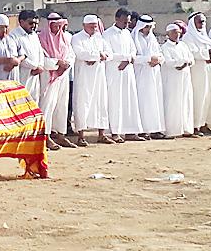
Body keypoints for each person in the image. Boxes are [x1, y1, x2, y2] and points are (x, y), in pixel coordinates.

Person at [102, 8, 144, 143]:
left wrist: (128, 59)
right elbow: (108, 53)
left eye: (128, 22)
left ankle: (130, 131)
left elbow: (133, 50)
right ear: (117, 19)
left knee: (129, 100)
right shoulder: (107, 34)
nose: (127, 24)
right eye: (125, 21)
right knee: (116, 101)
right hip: (114, 71)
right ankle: (115, 132)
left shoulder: (127, 33)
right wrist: (124, 58)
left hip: (128, 71)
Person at [70, 15, 112, 145]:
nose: (93, 29)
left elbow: (109, 53)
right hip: (83, 77)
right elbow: (80, 54)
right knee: (82, 103)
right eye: (91, 26)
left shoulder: (100, 38)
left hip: (99, 76)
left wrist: (97, 57)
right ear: (84, 26)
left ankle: (101, 134)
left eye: (95, 26)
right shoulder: (77, 38)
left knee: (101, 103)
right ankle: (81, 135)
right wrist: (98, 56)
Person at [38, 13, 76, 149]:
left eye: (60, 26)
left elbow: (71, 55)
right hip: (48, 77)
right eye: (55, 26)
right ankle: (46, 137)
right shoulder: (41, 39)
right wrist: (57, 63)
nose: (57, 28)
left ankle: (61, 135)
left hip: (62, 76)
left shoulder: (64, 38)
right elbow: (41, 59)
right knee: (47, 106)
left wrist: (65, 65)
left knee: (62, 106)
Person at [182, 13, 211, 135]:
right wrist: (206, 54)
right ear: (193, 23)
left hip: (209, 70)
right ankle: (195, 126)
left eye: (204, 21)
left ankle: (204, 124)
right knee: (198, 97)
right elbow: (191, 52)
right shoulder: (188, 37)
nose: (202, 24)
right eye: (200, 22)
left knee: (209, 96)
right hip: (197, 72)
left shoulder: (205, 37)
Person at [132, 15, 165, 140]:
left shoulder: (152, 38)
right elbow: (133, 57)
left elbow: (160, 54)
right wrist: (148, 59)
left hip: (154, 74)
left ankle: (155, 129)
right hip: (141, 75)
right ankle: (142, 130)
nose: (148, 29)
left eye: (150, 27)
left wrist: (158, 60)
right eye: (146, 27)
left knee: (155, 102)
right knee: (143, 103)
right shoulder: (134, 38)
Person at [160, 24, 196, 137]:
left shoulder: (183, 45)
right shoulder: (165, 47)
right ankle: (172, 130)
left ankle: (186, 129)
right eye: (174, 32)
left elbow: (191, 59)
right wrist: (182, 62)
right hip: (172, 80)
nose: (177, 35)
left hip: (185, 77)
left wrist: (185, 63)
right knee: (173, 103)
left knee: (186, 101)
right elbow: (169, 62)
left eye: (178, 32)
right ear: (168, 34)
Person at [9, 9, 44, 103]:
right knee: (22, 101)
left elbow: (40, 52)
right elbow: (16, 57)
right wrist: (34, 66)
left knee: (34, 101)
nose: (34, 26)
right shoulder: (14, 36)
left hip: (35, 75)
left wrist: (40, 66)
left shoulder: (34, 35)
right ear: (21, 22)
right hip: (22, 75)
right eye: (31, 23)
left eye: (36, 23)